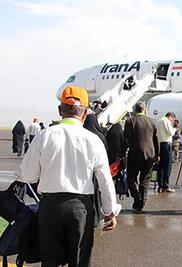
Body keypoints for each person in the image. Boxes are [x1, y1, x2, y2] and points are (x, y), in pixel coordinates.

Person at [18, 86, 120, 267]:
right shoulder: (93, 140)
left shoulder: (44, 135)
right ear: (86, 112)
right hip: (80, 207)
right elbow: (104, 180)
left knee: (50, 261)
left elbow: (28, 175)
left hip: (50, 207)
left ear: (60, 110)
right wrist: (109, 211)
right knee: (80, 261)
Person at [124, 101, 159, 210]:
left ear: (135, 110)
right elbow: (156, 140)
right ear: (144, 110)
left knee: (131, 177)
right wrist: (157, 155)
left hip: (134, 154)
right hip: (149, 154)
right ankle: (142, 200)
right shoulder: (152, 121)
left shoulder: (130, 121)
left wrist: (121, 154)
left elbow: (126, 139)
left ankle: (137, 197)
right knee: (145, 179)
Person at [156, 112, 177, 192]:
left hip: (160, 144)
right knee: (167, 166)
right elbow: (171, 133)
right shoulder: (166, 121)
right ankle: (166, 185)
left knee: (160, 166)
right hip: (167, 144)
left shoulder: (158, 121)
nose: (172, 121)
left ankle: (160, 185)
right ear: (171, 117)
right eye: (172, 119)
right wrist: (175, 129)